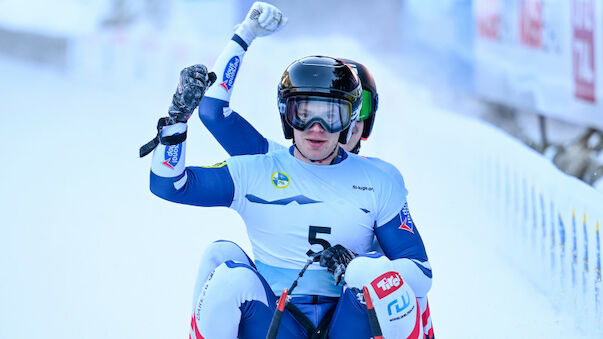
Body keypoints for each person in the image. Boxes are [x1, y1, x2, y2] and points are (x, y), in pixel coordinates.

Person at [146, 4, 431, 338]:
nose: (317, 128)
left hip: (348, 320)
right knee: (224, 268)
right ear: (287, 115)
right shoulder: (259, 166)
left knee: (377, 275)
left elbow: (421, 276)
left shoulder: (380, 180)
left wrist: (358, 265)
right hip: (278, 321)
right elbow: (170, 184)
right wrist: (176, 122)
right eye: (304, 113)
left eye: (332, 116)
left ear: (352, 119)